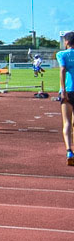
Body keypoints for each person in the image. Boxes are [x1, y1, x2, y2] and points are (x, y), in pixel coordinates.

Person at [56, 31, 74, 166]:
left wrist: (63, 90)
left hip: (68, 90)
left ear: (67, 42)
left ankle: (69, 150)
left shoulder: (62, 54)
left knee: (67, 122)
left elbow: (62, 70)